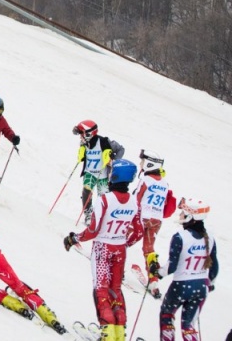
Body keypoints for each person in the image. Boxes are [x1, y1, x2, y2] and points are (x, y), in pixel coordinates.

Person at [63, 158, 143, 341]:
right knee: (116, 289)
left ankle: (107, 332)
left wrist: (74, 238)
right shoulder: (134, 202)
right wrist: (124, 242)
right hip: (119, 249)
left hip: (102, 248)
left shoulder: (105, 200)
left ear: (115, 176)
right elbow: (138, 232)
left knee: (101, 289)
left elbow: (93, 230)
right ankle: (119, 333)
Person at [159, 198, 218, 341]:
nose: (181, 215)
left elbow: (171, 266)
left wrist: (158, 273)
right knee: (188, 324)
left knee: (167, 314)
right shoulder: (210, 236)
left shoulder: (180, 237)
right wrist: (210, 282)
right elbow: (214, 266)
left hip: (181, 285)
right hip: (201, 286)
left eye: (183, 213)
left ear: (190, 217)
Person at [136, 150, 176, 295]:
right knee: (149, 248)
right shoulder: (165, 183)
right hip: (156, 220)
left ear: (148, 163)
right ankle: (153, 281)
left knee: (125, 239)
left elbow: (137, 198)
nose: (140, 164)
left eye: (142, 162)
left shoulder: (146, 180)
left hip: (142, 216)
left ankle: (116, 269)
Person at [73, 120, 125, 225]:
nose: (80, 137)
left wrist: (114, 160)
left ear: (89, 133)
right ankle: (88, 214)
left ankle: (100, 217)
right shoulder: (84, 143)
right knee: (86, 190)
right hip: (90, 172)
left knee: (103, 198)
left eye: (81, 134)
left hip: (103, 175)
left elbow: (121, 149)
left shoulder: (104, 141)